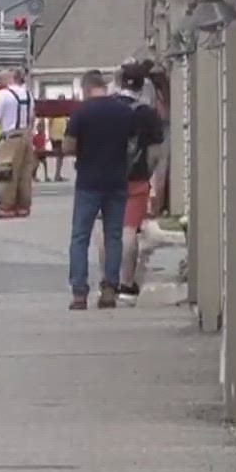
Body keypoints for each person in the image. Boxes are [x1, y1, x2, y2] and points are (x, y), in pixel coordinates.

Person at [63, 68, 160, 310]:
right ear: (104, 86)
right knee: (114, 235)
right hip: (117, 181)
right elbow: (133, 143)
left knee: (80, 236)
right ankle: (109, 288)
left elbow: (67, 147)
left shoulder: (81, 114)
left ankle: (79, 293)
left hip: (88, 181)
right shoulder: (124, 113)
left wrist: (85, 148)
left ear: (86, 89)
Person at [115, 60, 166, 299]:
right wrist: (148, 173)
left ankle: (108, 282)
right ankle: (126, 284)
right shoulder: (147, 114)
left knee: (107, 231)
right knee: (128, 231)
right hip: (136, 177)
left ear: (119, 82)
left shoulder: (106, 109)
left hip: (106, 180)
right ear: (142, 85)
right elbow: (156, 152)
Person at [0, 68, 35, 219]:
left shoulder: (3, 95)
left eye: (1, 77)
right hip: (26, 137)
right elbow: (32, 116)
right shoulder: (29, 95)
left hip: (10, 137)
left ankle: (6, 207)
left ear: (11, 78)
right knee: (24, 173)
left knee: (5, 172)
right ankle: (23, 206)